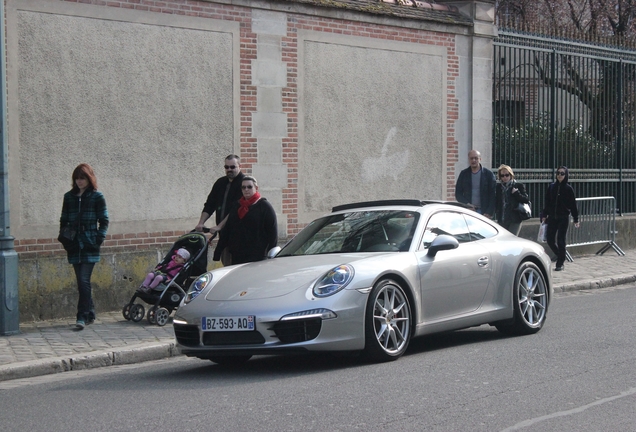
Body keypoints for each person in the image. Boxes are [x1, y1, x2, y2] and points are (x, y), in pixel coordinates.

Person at [59, 163, 109, 330]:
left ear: (89, 179)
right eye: (77, 178)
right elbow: (63, 219)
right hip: (74, 243)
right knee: (81, 282)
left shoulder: (97, 197)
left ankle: (81, 316)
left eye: (83, 178)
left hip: (89, 242)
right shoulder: (69, 197)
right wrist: (65, 239)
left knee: (83, 280)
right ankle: (90, 312)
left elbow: (104, 220)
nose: (79, 181)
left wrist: (98, 239)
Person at [212, 176, 278, 265]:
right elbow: (227, 229)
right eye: (243, 187)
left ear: (256, 188)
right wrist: (218, 252)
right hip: (237, 255)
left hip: (257, 256)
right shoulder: (237, 205)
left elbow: (273, 232)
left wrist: (271, 254)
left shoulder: (264, 206)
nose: (246, 189)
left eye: (249, 187)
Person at [195, 154, 245, 265]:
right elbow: (210, 204)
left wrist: (219, 226)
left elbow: (235, 209)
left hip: (238, 234)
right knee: (226, 262)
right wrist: (201, 223)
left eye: (232, 167)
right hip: (223, 235)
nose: (229, 170)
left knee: (236, 265)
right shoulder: (220, 183)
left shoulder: (244, 184)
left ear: (240, 166)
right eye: (226, 167)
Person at [540, 166, 580, 271]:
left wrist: (576, 219)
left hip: (563, 217)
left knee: (561, 240)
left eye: (562, 173)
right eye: (558, 173)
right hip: (552, 217)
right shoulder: (552, 187)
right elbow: (547, 202)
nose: (560, 175)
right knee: (550, 239)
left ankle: (560, 263)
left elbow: (573, 205)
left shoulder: (568, 188)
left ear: (566, 175)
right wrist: (544, 215)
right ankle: (561, 255)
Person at [455, 149, 496, 218]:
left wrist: (489, 212)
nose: (473, 160)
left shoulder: (488, 174)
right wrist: (467, 205)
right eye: (471, 158)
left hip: (484, 212)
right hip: (468, 211)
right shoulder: (463, 174)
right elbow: (458, 193)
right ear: (468, 159)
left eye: (476, 158)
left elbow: (493, 194)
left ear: (480, 159)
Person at [495, 164, 530, 236]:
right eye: (502, 175)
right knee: (503, 239)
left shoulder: (518, 185)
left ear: (511, 175)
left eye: (507, 175)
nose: (505, 177)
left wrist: (516, 193)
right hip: (502, 218)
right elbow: (497, 201)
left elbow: (526, 199)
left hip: (514, 218)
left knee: (512, 238)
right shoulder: (498, 187)